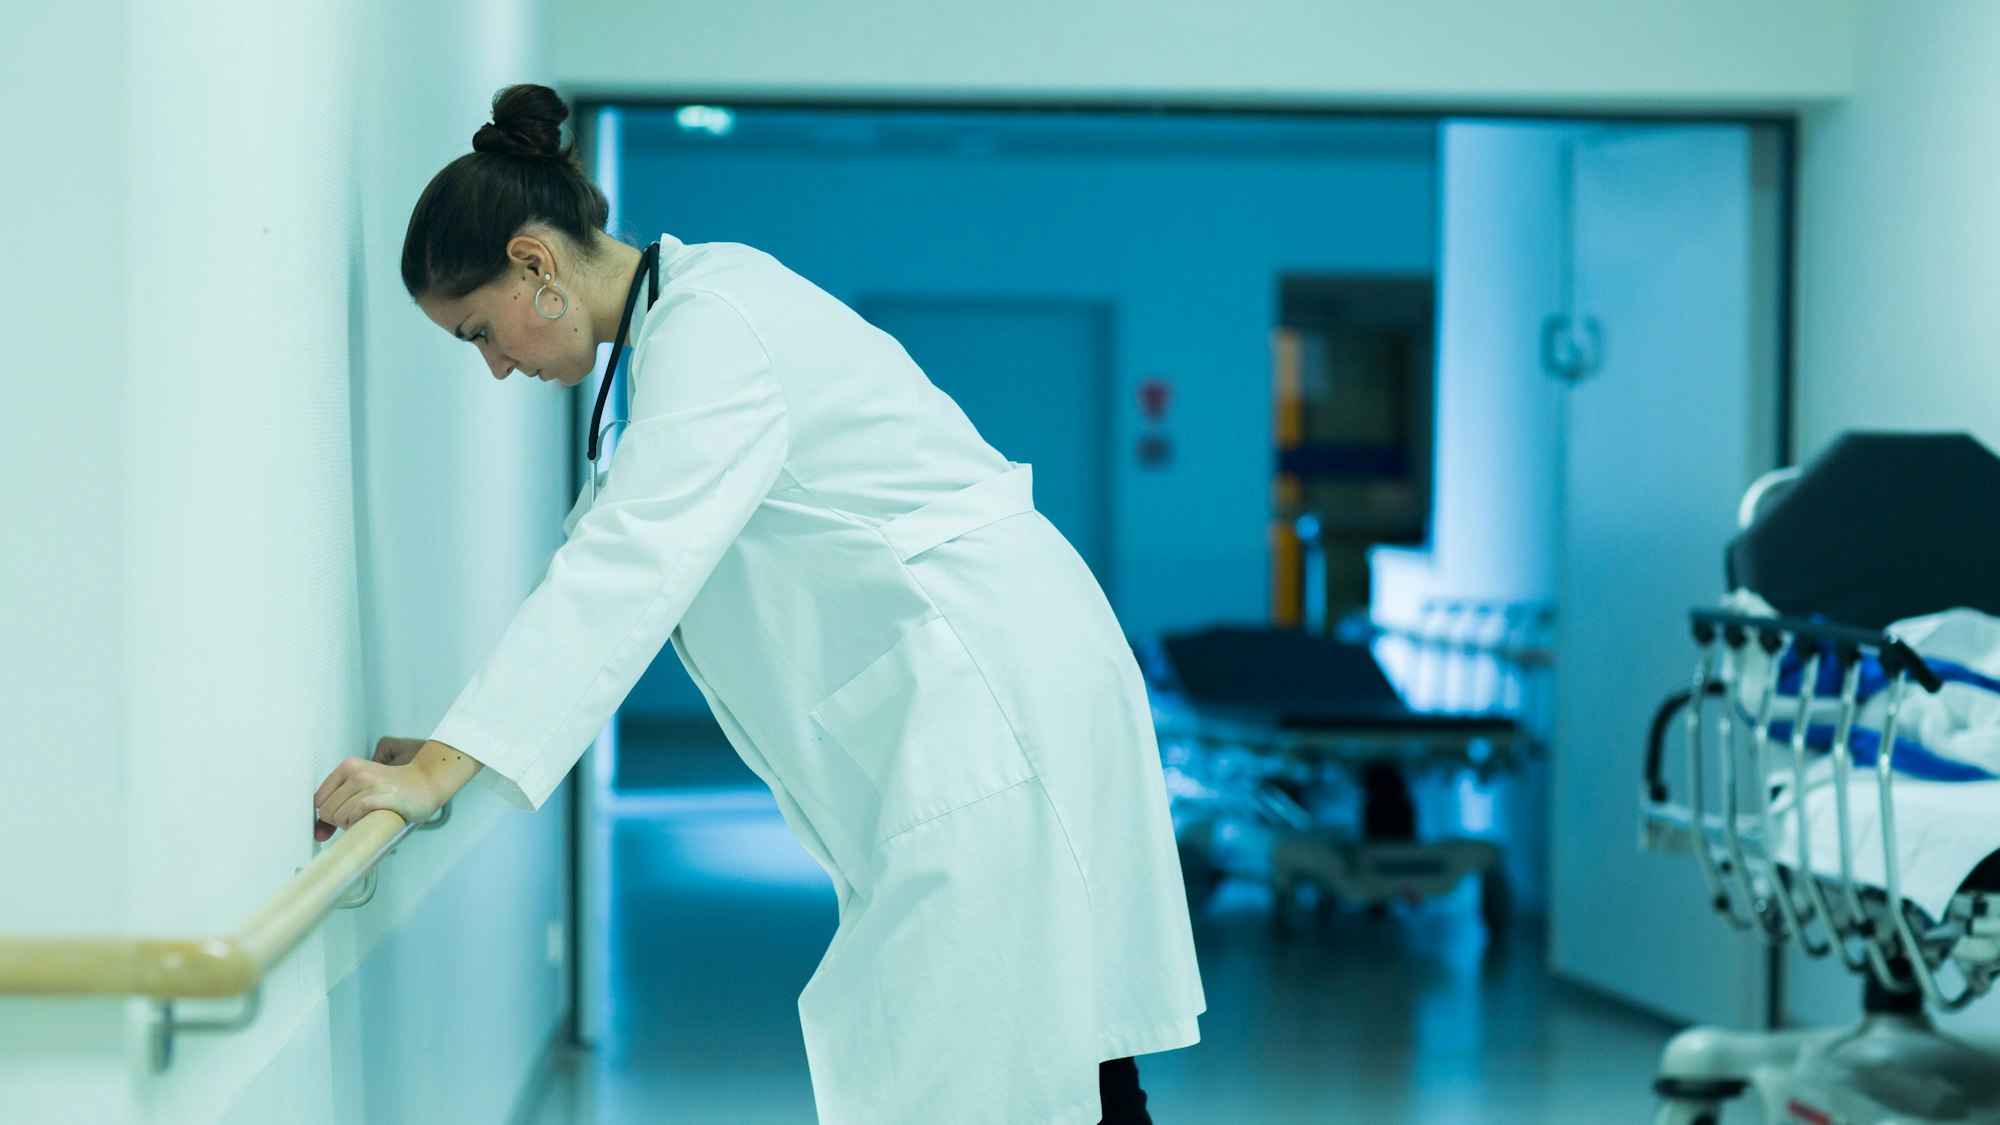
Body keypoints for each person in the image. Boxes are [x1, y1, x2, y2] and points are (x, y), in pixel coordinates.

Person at [309, 84, 1205, 1125]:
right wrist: (456, 745)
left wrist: (433, 775)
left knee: (998, 1051)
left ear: (535, 265)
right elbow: (618, 567)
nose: (497, 366)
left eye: (478, 331)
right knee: (1044, 1044)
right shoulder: (685, 330)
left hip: (987, 698)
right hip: (980, 689)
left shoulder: (714, 324)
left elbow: (624, 570)